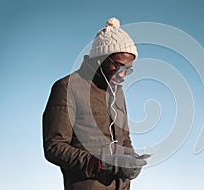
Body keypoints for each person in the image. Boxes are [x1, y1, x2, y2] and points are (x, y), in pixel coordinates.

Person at [42, 17, 147, 190]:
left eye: (128, 70)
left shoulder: (117, 93)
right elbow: (54, 146)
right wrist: (99, 164)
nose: (122, 75)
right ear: (100, 58)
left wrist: (131, 159)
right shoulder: (67, 87)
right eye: (118, 66)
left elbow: (125, 139)